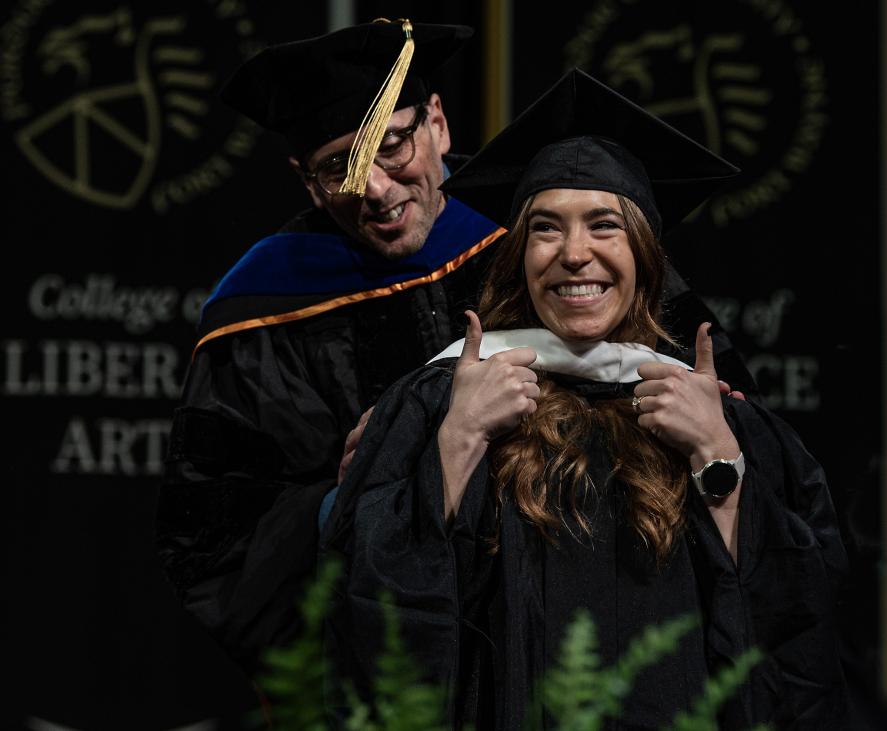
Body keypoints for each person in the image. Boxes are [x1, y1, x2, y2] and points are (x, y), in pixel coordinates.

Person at [155, 20, 757, 676]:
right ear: (307, 181)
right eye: (339, 168)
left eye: (389, 146)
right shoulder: (265, 312)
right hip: (408, 654)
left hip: (596, 624)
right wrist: (365, 485)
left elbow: (725, 431)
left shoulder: (552, 240)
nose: (375, 189)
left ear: (436, 123)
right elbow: (217, 549)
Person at [322, 69, 849, 729]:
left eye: (603, 225)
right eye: (545, 228)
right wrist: (455, 447)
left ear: (645, 253)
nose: (575, 254)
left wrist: (719, 461)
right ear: (518, 254)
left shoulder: (716, 414)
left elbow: (798, 627)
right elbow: (369, 621)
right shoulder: (440, 400)